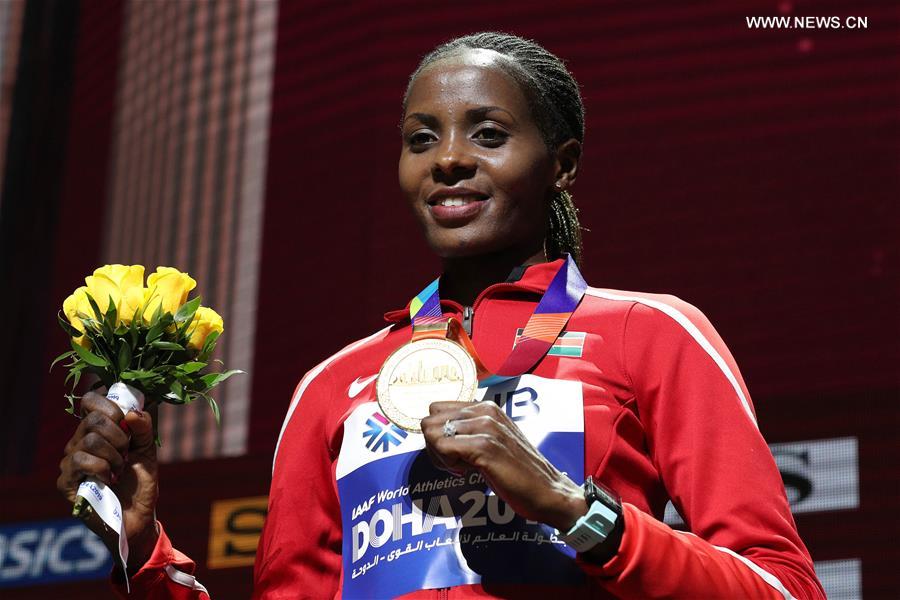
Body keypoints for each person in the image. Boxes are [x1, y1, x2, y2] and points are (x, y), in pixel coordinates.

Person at [57, 32, 825, 599]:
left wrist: (568, 506)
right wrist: (146, 549)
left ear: (561, 165)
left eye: (488, 134)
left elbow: (783, 588)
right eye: (421, 139)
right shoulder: (335, 384)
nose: (447, 158)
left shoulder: (649, 334)